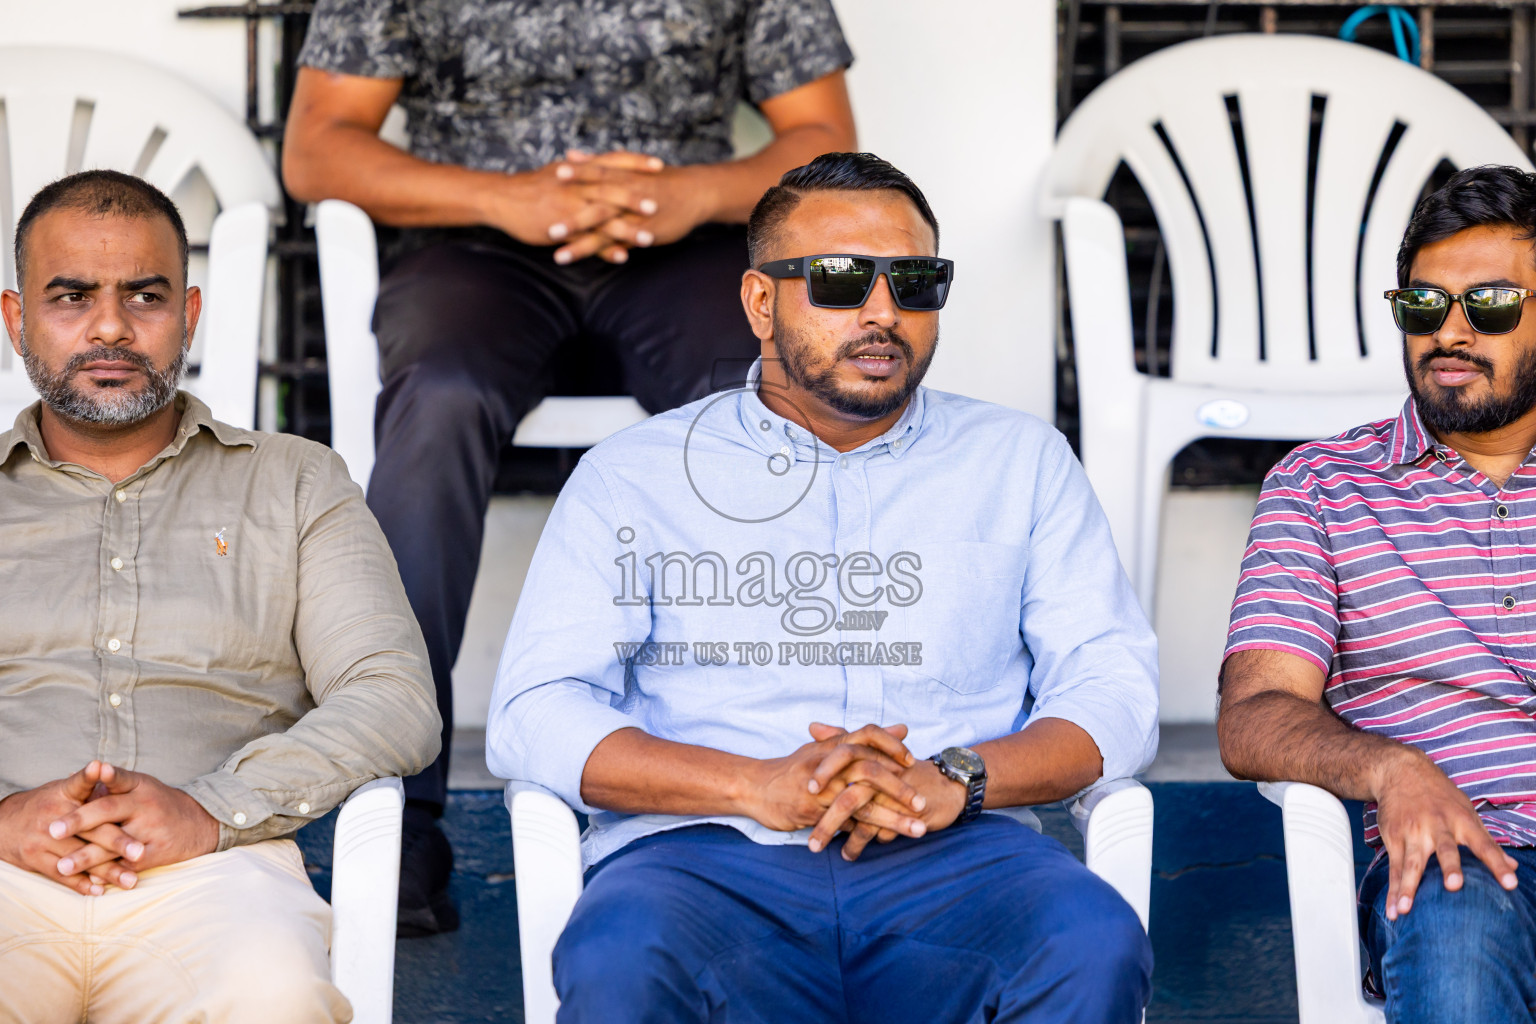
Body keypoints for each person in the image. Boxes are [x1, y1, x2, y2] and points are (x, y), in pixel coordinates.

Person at [487, 152, 1158, 1023]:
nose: (884, 311)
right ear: (761, 303)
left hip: (958, 853)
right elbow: (535, 711)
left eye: (914, 281)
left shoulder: (1021, 462)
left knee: (1090, 941)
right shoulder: (636, 477)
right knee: (620, 955)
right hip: (704, 860)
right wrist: (752, 784)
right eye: (841, 280)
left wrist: (957, 777)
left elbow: (1115, 690)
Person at [282, 0, 858, 934]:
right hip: (474, 254)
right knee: (441, 402)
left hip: (684, 251)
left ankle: (762, 791)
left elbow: (823, 133)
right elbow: (318, 147)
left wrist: (696, 193)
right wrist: (505, 197)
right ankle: (397, 816)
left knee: (757, 401)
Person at [0, 170, 440, 1023]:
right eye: (71, 296)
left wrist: (210, 808)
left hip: (221, 876)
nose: (110, 327)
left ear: (189, 316)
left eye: (146, 296)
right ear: (16, 319)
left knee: (272, 995)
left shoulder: (296, 483)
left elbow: (393, 696)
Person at [1218, 165, 1536, 1023]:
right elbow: (1253, 714)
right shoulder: (1322, 488)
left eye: (1493, 307)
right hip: (1461, 849)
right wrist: (1391, 768)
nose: (1452, 334)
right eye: (1425, 307)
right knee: (1457, 929)